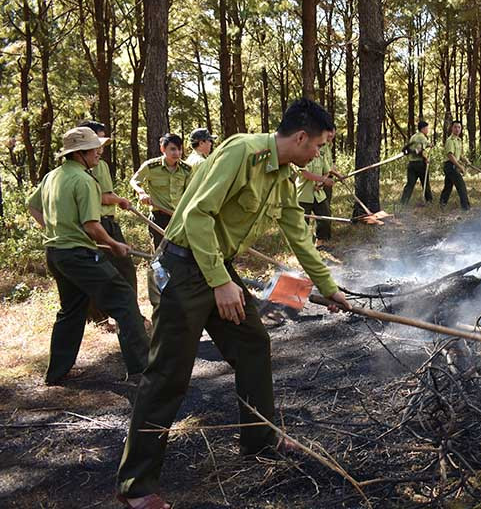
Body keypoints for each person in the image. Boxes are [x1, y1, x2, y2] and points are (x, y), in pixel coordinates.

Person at [116, 99, 352, 509]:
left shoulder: (281, 174)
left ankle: (259, 438)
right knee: (168, 374)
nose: (318, 154)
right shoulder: (242, 152)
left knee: (253, 345)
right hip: (186, 268)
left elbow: (297, 231)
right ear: (300, 137)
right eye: (318, 146)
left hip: (216, 270)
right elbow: (198, 217)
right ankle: (136, 487)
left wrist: (328, 287)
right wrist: (223, 282)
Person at [26, 127, 149, 386]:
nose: (98, 153)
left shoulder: (51, 176)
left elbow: (32, 205)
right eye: (94, 149)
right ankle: (144, 370)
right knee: (124, 298)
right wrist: (114, 244)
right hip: (80, 255)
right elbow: (92, 226)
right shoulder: (84, 180)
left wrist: (55, 231)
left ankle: (57, 373)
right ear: (80, 154)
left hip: (56, 254)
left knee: (71, 309)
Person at [76, 120, 140, 327]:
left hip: (93, 224)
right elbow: (103, 197)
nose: (102, 149)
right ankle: (122, 318)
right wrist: (119, 200)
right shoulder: (92, 167)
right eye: (98, 142)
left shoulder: (84, 167)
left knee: (98, 272)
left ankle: (107, 317)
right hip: (99, 224)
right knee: (123, 269)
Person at [130, 133, 192, 248]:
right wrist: (142, 193)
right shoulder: (151, 166)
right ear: (163, 149)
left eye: (179, 149)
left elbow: (190, 194)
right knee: (160, 251)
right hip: (159, 217)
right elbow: (134, 181)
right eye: (172, 149)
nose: (177, 153)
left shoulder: (186, 169)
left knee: (180, 251)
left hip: (178, 217)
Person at [297, 127, 336, 242]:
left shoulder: (321, 156)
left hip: (318, 194)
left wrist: (321, 181)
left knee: (325, 216)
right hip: (304, 194)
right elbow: (304, 173)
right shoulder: (301, 154)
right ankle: (303, 246)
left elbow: (327, 170)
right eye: (318, 146)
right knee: (303, 222)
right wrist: (323, 180)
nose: (320, 149)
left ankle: (321, 241)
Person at [400, 120, 433, 205]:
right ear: (423, 128)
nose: (427, 130)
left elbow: (414, 148)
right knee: (425, 183)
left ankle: (403, 202)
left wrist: (429, 144)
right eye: (427, 128)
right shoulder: (422, 137)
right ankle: (429, 201)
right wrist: (425, 159)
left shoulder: (413, 136)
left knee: (410, 184)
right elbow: (420, 150)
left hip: (411, 164)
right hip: (420, 164)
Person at [439, 120, 470, 211]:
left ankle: (442, 203)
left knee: (448, 186)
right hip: (450, 166)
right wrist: (460, 166)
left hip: (453, 165)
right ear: (452, 128)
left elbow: (459, 155)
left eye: (459, 127)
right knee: (461, 185)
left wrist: (466, 161)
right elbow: (450, 155)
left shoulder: (458, 140)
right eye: (455, 127)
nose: (457, 129)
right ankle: (466, 208)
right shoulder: (450, 140)